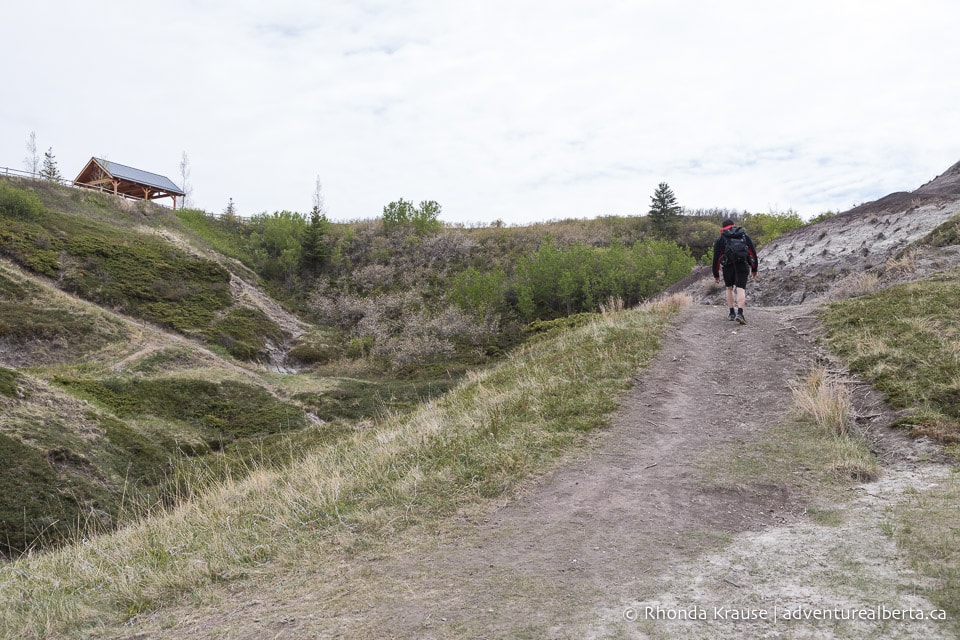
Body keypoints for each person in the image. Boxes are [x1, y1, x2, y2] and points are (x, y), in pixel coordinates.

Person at [712, 218, 758, 324]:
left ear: (723, 227)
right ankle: (740, 314)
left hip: (728, 266)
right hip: (742, 264)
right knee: (741, 288)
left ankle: (732, 313)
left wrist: (716, 274)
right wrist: (754, 268)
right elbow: (752, 252)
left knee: (729, 288)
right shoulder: (743, 235)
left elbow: (716, 258)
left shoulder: (720, 239)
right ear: (734, 225)